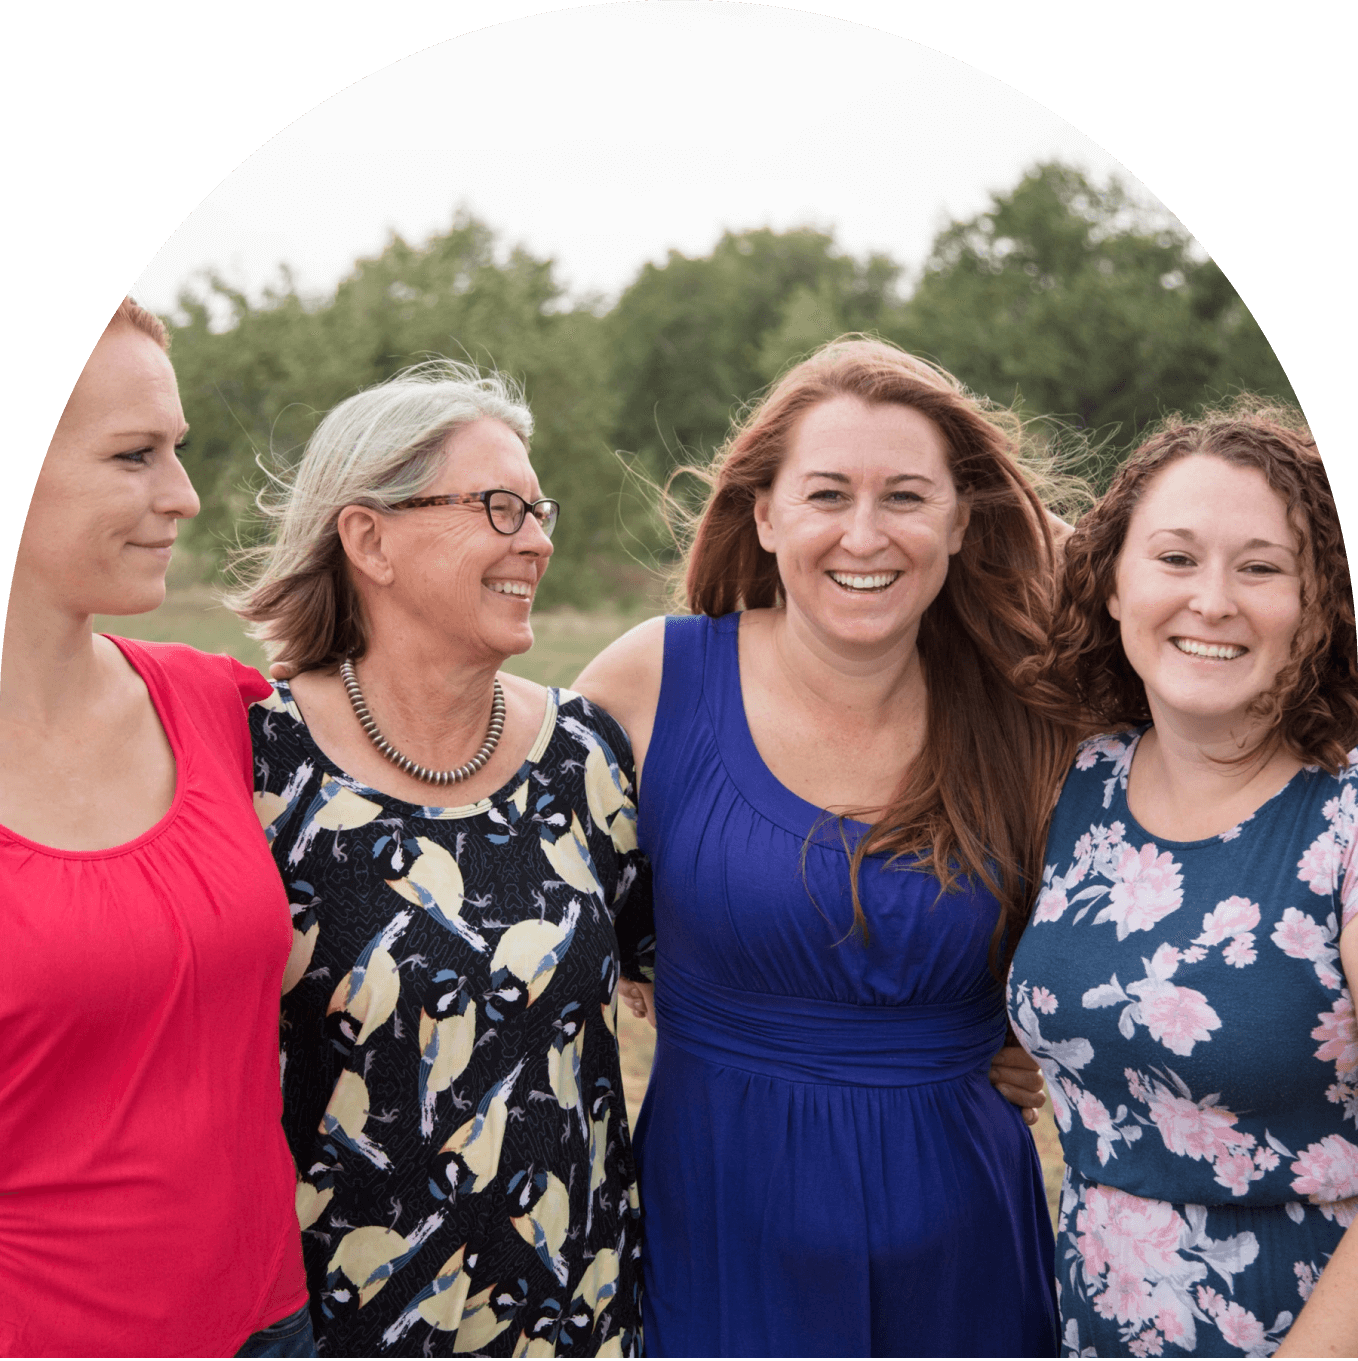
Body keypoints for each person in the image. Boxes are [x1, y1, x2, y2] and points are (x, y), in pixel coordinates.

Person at [574, 336, 1072, 1357]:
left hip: (963, 1238)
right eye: (826, 493)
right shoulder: (652, 680)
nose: (862, 534)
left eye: (904, 497)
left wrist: (1038, 1029)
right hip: (718, 1224)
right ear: (763, 514)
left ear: (958, 520)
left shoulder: (1030, 706)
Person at [229, 362, 649, 1357]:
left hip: (575, 1316)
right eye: (498, 506)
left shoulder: (583, 755)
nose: (537, 538)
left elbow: (688, 981)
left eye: (538, 508)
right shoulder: (256, 763)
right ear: (368, 536)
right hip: (340, 1322)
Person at [1008, 403, 1358, 1357]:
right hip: (1091, 1323)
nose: (1212, 600)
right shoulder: (1076, 782)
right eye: (1174, 558)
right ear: (1112, 584)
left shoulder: (1345, 822)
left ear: (1320, 600)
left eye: (1261, 566)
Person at [0, 300, 313, 1357]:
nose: (181, 496)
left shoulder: (217, 707)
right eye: (135, 455)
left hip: (272, 1321)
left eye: (175, 450)